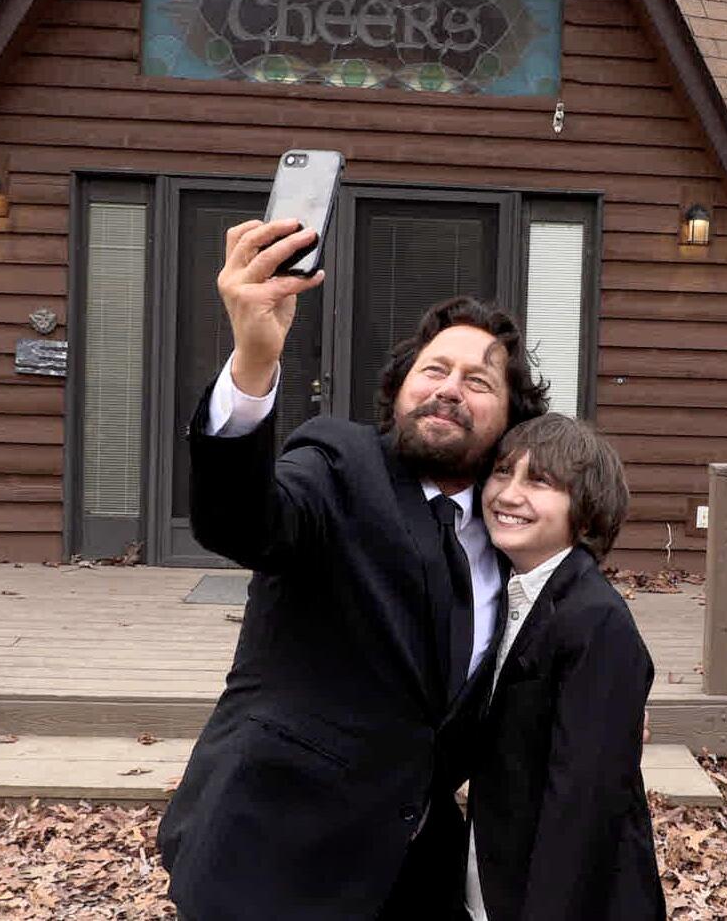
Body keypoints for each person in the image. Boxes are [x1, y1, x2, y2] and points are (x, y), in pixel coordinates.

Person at [156, 216, 549, 920]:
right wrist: (252, 363)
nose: (450, 388)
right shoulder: (341, 465)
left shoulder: (508, 537)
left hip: (409, 871)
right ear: (400, 389)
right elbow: (242, 522)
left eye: (479, 381)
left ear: (512, 415)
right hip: (270, 863)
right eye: (434, 369)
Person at [463, 413, 665, 921]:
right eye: (503, 472)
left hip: (559, 894)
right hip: (493, 869)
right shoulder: (508, 595)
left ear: (587, 510)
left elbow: (584, 804)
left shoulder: (596, 621)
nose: (509, 494)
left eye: (539, 481)